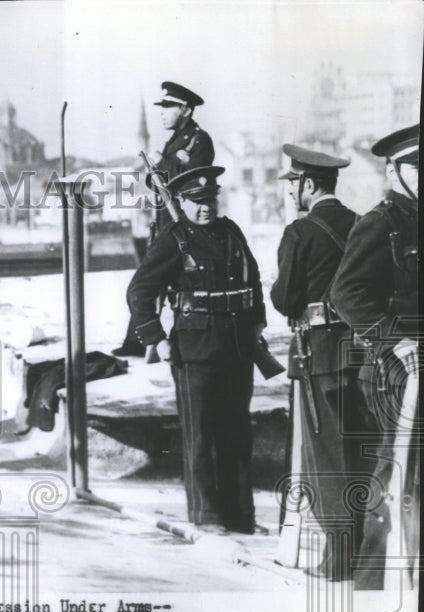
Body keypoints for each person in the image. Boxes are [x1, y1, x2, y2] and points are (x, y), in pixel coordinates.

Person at [126, 166, 267, 534]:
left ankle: (240, 515)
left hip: (238, 345)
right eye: (198, 202)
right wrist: (156, 338)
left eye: (211, 200)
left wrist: (258, 323)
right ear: (183, 202)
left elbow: (251, 278)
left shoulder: (231, 232)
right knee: (200, 435)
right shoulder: (173, 239)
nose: (206, 208)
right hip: (195, 349)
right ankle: (207, 516)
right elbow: (139, 291)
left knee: (237, 431)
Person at [270, 144, 375, 581]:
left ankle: (338, 558)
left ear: (307, 185)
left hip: (319, 355)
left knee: (327, 456)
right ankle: (370, 550)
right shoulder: (360, 224)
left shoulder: (300, 232)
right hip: (361, 351)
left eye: (293, 184)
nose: (291, 192)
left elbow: (286, 299)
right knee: (361, 450)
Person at [330, 123, 419, 590]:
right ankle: (369, 583)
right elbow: (346, 294)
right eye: (419, 169)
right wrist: (395, 342)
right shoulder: (381, 223)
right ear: (394, 171)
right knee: (394, 474)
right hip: (395, 370)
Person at [114, 82, 214, 357]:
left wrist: (168, 164)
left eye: (169, 107)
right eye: (162, 107)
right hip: (165, 224)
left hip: (183, 226)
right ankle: (138, 341)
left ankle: (148, 342)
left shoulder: (198, 140)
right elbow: (157, 180)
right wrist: (167, 163)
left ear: (186, 110)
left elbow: (195, 182)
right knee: (149, 281)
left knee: (157, 282)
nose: (163, 113)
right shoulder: (176, 142)